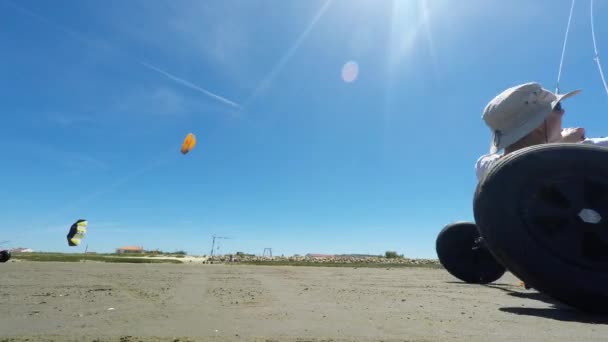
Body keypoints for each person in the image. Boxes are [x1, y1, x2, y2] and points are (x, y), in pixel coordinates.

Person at [476, 82, 608, 181]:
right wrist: (563, 143)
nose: (563, 112)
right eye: (557, 107)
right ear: (539, 124)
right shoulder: (585, 152)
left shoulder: (486, 168)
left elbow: (495, 161)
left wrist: (558, 143)